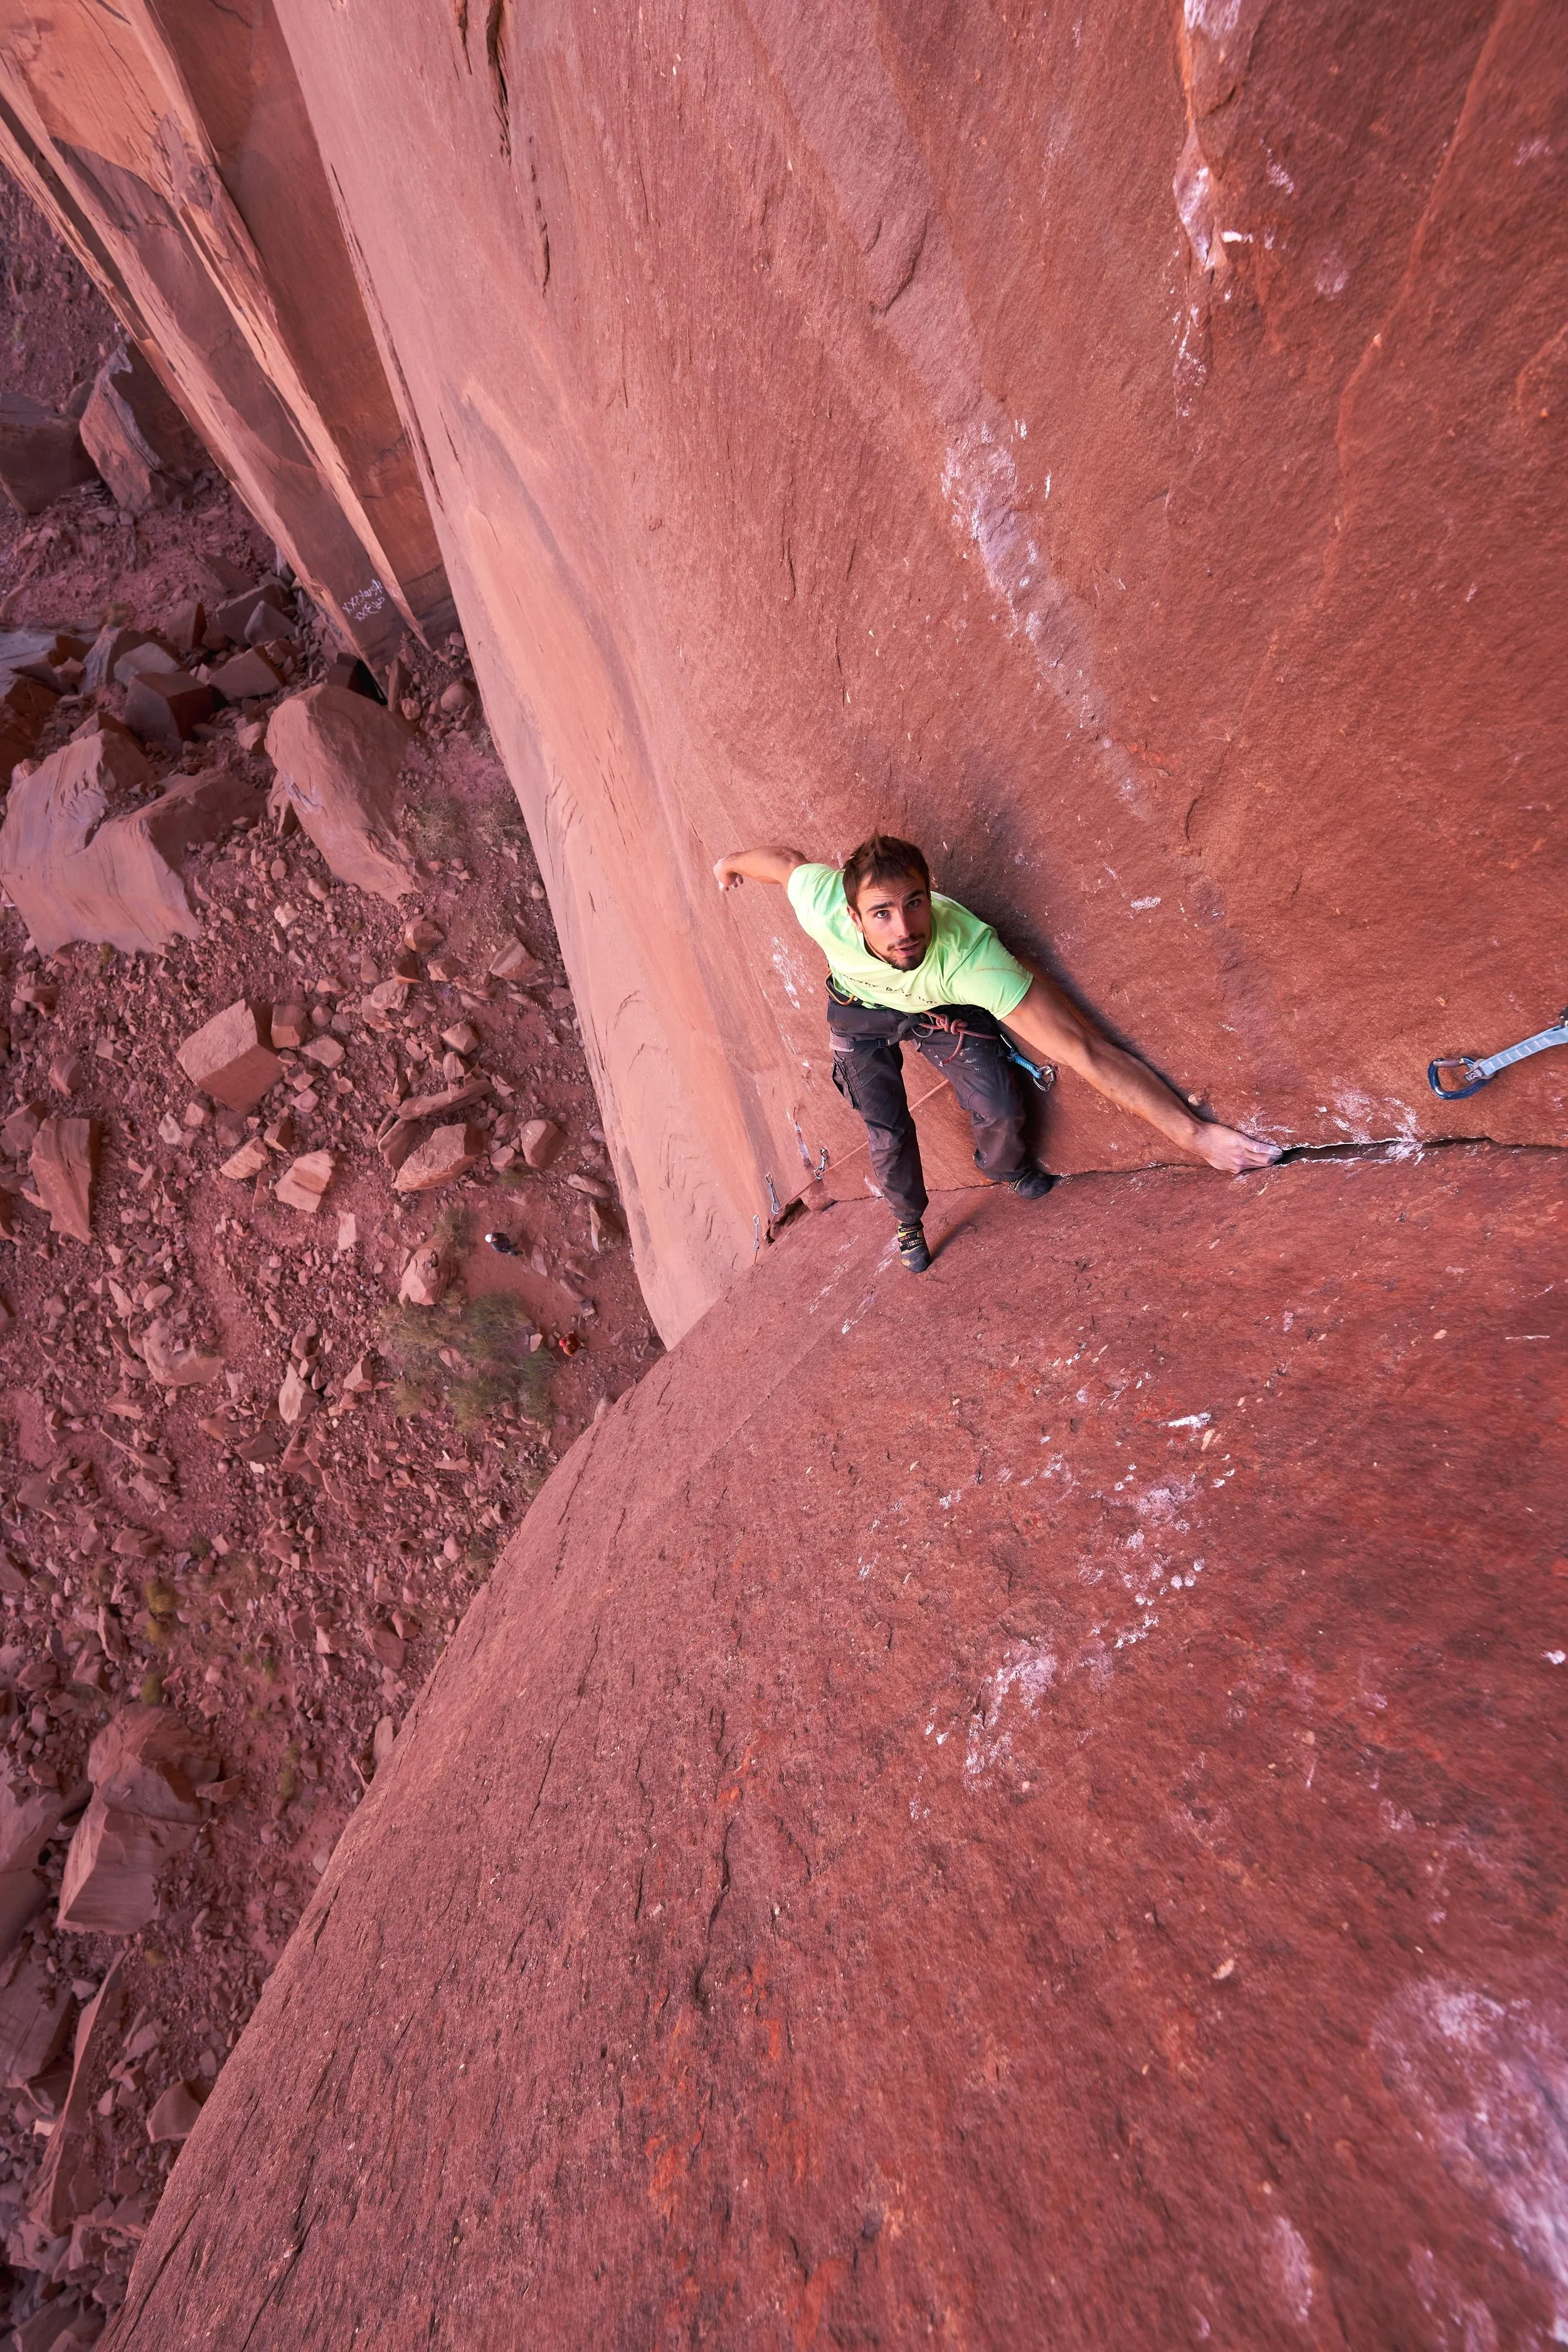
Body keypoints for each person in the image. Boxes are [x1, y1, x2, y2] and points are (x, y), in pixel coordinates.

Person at [714, 831, 1279, 1271]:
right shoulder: (823, 910)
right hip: (860, 1015)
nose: (904, 928)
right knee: (885, 1129)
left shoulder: (970, 957)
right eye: (882, 914)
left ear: (931, 896)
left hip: (939, 1004)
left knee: (1001, 1106)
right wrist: (731, 864)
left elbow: (1084, 1049)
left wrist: (1196, 1136)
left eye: (916, 903)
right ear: (852, 917)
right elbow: (787, 863)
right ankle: (909, 1219)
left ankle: (1005, 1168)